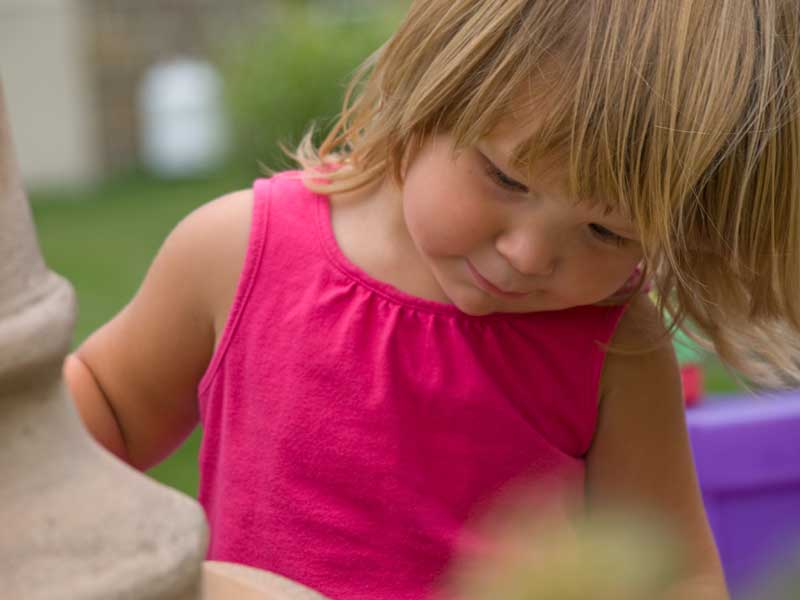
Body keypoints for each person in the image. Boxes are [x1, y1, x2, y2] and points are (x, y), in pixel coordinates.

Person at [65, 1, 800, 598]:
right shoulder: (235, 252)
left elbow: (671, 575)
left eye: (607, 232)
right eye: (506, 180)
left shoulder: (614, 349)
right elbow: (103, 405)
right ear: (428, 92)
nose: (529, 255)